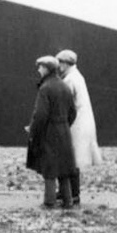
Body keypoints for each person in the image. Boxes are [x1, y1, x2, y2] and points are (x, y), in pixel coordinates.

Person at [26, 55, 78, 209]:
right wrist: (64, 124)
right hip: (64, 131)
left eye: (41, 67)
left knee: (49, 168)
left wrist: (33, 131)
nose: (38, 69)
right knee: (64, 168)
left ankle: (49, 202)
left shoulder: (45, 88)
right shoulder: (64, 86)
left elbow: (40, 115)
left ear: (47, 69)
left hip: (50, 132)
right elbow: (73, 112)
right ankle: (68, 201)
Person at [57, 48, 101, 206]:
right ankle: (71, 192)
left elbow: (65, 104)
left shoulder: (69, 80)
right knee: (74, 158)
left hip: (76, 124)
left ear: (65, 63)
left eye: (60, 62)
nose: (58, 66)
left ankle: (71, 193)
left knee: (70, 158)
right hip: (84, 122)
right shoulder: (78, 76)